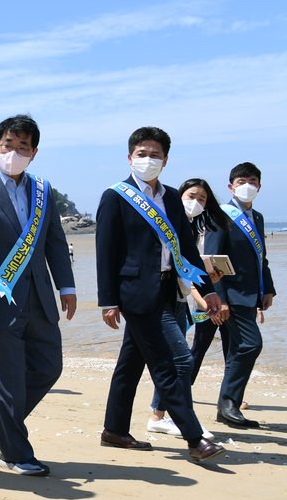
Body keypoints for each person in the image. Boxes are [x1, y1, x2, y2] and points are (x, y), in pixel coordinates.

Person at [0, 115, 76, 476]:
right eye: (9, 144)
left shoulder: (42, 191)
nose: (15, 152)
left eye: (23, 147)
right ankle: (15, 452)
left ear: (34, 152)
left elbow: (54, 239)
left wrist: (65, 286)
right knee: (6, 380)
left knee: (49, 367)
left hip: (38, 298)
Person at [95, 126, 225, 463]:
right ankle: (195, 439)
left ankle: (114, 429)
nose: (148, 160)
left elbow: (187, 250)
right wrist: (108, 301)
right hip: (134, 293)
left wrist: (208, 291)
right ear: (130, 157)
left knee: (131, 363)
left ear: (165, 160)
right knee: (169, 363)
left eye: (155, 155)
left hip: (168, 289)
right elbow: (105, 251)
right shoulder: (115, 196)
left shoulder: (169, 197)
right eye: (142, 154)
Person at [145, 178, 227, 437]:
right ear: (178, 196)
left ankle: (157, 417)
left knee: (164, 361)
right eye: (191, 196)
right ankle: (187, 421)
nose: (196, 202)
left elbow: (189, 278)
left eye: (202, 199)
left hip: (178, 302)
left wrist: (207, 290)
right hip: (158, 300)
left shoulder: (191, 229)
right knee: (183, 360)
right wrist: (207, 303)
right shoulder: (167, 226)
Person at [201, 162, 275, 428]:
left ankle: (228, 408)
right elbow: (211, 260)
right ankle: (229, 403)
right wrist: (217, 298)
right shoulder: (219, 215)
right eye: (242, 181)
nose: (248, 186)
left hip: (251, 294)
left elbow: (261, 259)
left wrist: (267, 289)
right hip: (229, 295)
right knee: (251, 344)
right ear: (230, 186)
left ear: (259, 186)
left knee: (236, 350)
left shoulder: (258, 217)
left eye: (253, 181)